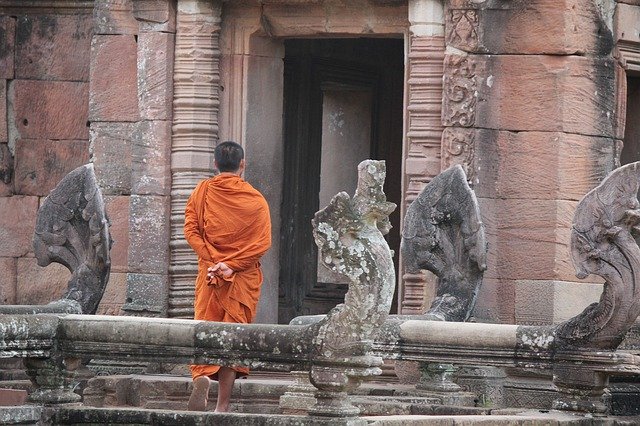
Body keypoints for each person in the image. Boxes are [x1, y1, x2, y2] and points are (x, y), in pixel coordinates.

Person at [183, 141, 272, 412]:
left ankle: (200, 377)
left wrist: (214, 261)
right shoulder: (255, 200)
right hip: (240, 278)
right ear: (242, 165)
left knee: (205, 328)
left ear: (215, 165)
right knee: (232, 337)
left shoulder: (202, 191)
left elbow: (190, 230)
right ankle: (222, 406)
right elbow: (262, 243)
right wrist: (232, 265)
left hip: (210, 276)